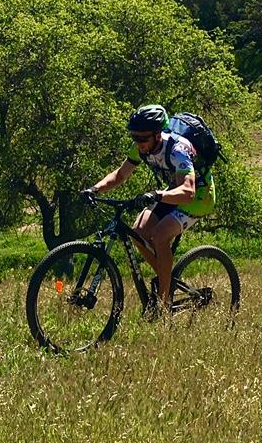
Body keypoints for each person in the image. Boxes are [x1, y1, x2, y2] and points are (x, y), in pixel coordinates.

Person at [86, 104, 216, 309]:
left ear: (157, 135)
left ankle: (164, 303)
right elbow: (120, 175)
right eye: (134, 138)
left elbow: (188, 192)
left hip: (199, 197)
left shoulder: (177, 149)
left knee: (160, 236)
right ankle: (167, 279)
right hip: (172, 191)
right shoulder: (141, 148)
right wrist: (95, 189)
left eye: (142, 138)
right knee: (138, 232)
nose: (138, 143)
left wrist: (157, 195)